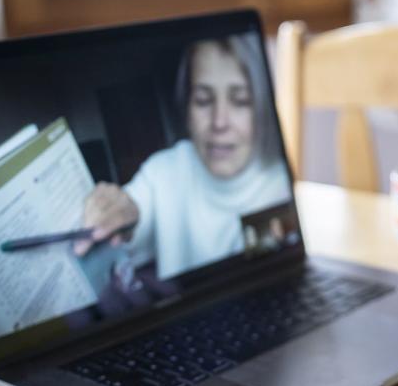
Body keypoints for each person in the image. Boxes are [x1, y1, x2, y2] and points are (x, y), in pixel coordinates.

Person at [75, 35, 291, 279]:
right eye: (203, 100)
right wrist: (120, 211)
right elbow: (133, 209)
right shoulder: (163, 171)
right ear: (186, 108)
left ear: (262, 107)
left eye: (240, 101)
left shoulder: (286, 181)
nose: (219, 122)